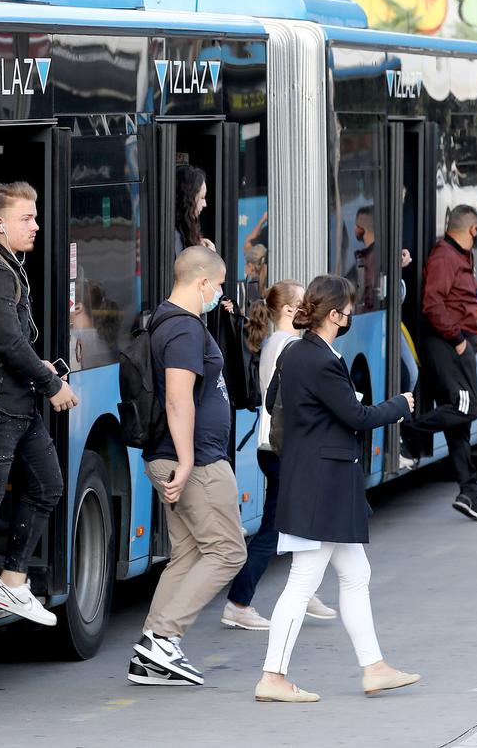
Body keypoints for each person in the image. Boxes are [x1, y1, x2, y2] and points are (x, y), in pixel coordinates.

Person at [255, 275, 420, 703]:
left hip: (313, 478)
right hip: (322, 484)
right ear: (334, 315)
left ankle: (374, 667)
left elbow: (278, 404)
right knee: (303, 581)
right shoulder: (322, 360)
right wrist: (400, 405)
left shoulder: (296, 353)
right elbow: (356, 416)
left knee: (355, 574)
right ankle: (273, 677)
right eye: (347, 309)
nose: (350, 316)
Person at [129, 245, 246, 687]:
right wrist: (189, 459)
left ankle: (150, 654)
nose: (219, 294)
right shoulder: (183, 329)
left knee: (190, 553)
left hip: (175, 457)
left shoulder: (167, 321)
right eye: (218, 286)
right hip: (194, 462)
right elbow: (178, 397)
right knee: (228, 551)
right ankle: (162, 639)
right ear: (202, 283)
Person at [0, 181, 79, 626]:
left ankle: (12, 581)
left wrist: (37, 368)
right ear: (0, 223)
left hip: (19, 404)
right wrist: (50, 383)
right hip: (5, 407)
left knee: (47, 485)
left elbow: (13, 340)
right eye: (27, 218)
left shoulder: (7, 264)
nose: (37, 226)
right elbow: (5, 340)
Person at [221, 280, 338, 632]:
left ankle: (306, 589)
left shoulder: (276, 342)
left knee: (300, 520)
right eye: (305, 303)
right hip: (284, 447)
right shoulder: (289, 346)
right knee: (275, 527)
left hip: (272, 446)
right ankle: (239, 602)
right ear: (289, 310)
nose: (312, 308)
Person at [406, 204, 477, 521]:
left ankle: (469, 493)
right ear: (472, 229)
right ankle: (411, 429)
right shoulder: (445, 256)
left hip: (454, 343)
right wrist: (458, 340)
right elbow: (433, 303)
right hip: (449, 345)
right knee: (467, 408)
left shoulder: (458, 256)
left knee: (460, 425)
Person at [174, 164, 216, 256]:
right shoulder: (176, 237)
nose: (205, 204)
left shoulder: (182, 232)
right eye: (202, 197)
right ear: (188, 199)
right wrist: (209, 257)